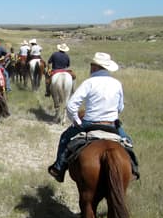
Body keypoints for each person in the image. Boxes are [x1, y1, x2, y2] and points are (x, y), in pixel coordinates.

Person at [48, 52, 139, 182]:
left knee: (65, 138)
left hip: (89, 123)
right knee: (127, 141)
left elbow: (71, 105)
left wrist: (77, 121)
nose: (90, 67)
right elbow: (120, 107)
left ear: (95, 67)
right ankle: (134, 169)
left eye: (92, 65)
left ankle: (59, 168)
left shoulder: (89, 82)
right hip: (111, 124)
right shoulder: (117, 83)